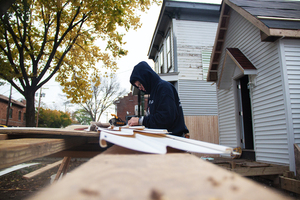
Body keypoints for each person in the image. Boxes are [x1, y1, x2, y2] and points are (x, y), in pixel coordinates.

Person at [128, 61, 189, 137]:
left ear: (146, 77)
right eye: (138, 87)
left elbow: (165, 118)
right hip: (165, 138)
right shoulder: (154, 92)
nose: (140, 88)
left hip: (174, 139)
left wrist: (140, 121)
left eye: (140, 84)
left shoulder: (164, 88)